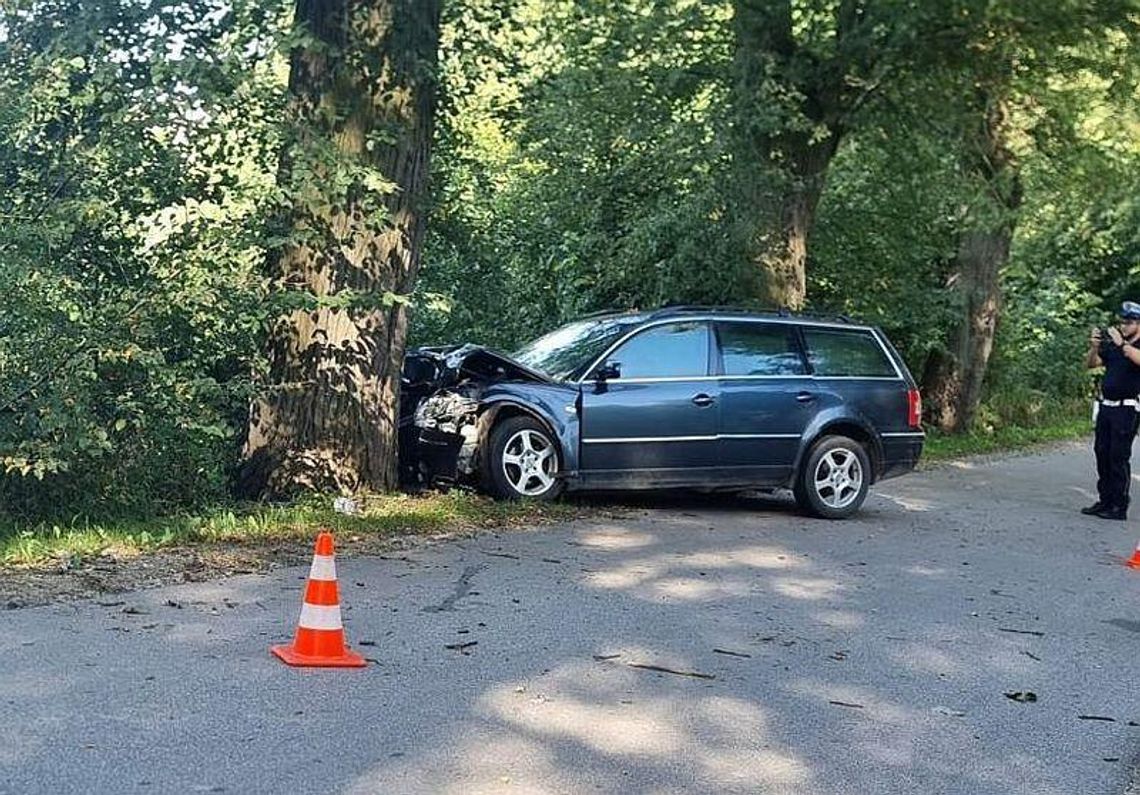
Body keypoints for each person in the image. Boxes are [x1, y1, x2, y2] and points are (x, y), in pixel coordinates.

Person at [1083, 301, 1140, 520]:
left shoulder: (1130, 346)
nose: (1123, 326)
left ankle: (1119, 505)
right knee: (1102, 452)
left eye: (1128, 322)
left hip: (1127, 408)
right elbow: (1091, 364)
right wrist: (1095, 346)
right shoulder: (1115, 346)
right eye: (1122, 322)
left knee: (1118, 455)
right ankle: (1105, 500)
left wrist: (1122, 345)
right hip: (1106, 406)